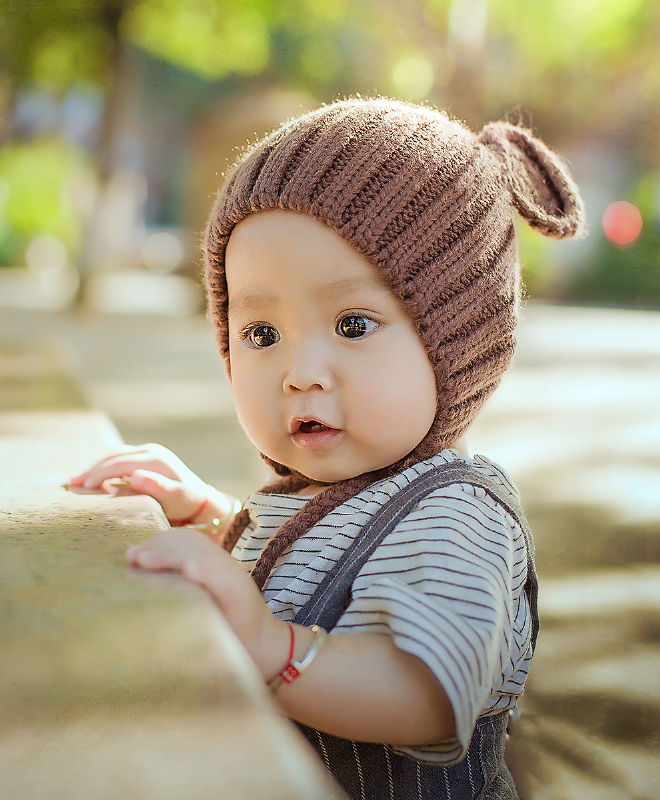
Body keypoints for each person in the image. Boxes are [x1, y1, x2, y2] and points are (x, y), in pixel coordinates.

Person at [69, 98, 583, 799]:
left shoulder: (457, 514)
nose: (299, 370)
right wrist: (220, 526)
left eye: (351, 322)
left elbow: (425, 699)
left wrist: (267, 645)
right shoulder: (318, 495)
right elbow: (314, 575)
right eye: (261, 334)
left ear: (458, 345)